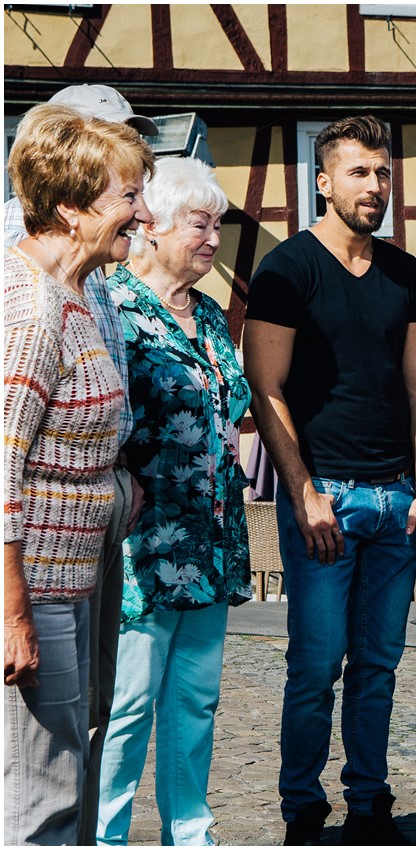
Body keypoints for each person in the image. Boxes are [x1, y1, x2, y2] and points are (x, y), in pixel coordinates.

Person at [243, 115, 416, 845]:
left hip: (395, 499)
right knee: (315, 667)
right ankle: (302, 808)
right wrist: (302, 493)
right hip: (324, 497)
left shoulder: (405, 272)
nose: (375, 186)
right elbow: (265, 388)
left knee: (380, 667)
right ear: (323, 182)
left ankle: (368, 803)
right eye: (358, 172)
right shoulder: (287, 269)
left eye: (383, 172)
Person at [2, 84, 157, 846]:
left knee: (66, 773)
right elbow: (0, 470)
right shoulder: (32, 311)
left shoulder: (73, 290)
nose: (145, 212)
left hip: (75, 571)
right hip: (39, 586)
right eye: (128, 195)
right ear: (73, 208)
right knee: (42, 793)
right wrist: (14, 615)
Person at [93, 157, 250, 845]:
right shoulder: (114, 307)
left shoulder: (212, 315)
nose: (213, 238)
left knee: (195, 701)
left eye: (218, 224)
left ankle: (190, 832)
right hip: (143, 547)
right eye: (199, 223)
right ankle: (104, 834)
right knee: (127, 706)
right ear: (151, 226)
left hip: (210, 544)